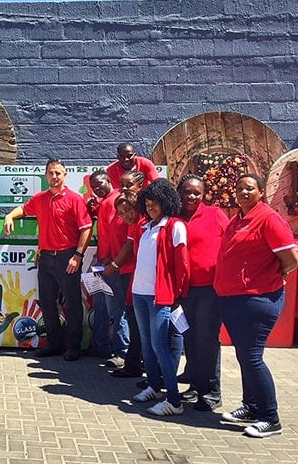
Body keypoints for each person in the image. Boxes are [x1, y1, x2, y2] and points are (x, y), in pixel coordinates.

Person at [215, 174, 298, 438]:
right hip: (234, 299)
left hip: (258, 299)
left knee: (252, 358)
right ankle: (251, 407)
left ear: (260, 192)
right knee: (244, 356)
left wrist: (270, 276)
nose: (242, 192)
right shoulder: (239, 218)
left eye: (249, 188)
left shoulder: (268, 219)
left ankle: (271, 418)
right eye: (239, 188)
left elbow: (291, 258)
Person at [3, 159, 92, 361]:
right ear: (46, 176)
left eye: (58, 173)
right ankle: (54, 344)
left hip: (67, 257)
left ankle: (74, 346)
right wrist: (9, 216)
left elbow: (86, 228)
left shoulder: (74, 199)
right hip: (45, 259)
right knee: (47, 302)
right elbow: (24, 209)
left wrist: (77, 256)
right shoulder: (40, 198)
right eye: (51, 173)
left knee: (72, 303)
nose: (54, 176)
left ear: (65, 175)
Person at [130, 178, 189, 416]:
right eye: (148, 203)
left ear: (166, 201)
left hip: (160, 296)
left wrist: (177, 294)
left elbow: (182, 264)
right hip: (139, 293)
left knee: (160, 345)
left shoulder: (175, 226)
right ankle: (154, 386)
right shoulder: (144, 228)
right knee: (146, 343)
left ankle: (174, 400)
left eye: (155, 203)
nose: (151, 207)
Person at [177, 174, 229, 411]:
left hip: (209, 288)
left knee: (206, 339)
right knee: (189, 337)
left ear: (204, 194)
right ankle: (196, 386)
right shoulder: (175, 218)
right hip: (185, 289)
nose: (191, 197)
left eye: (197, 192)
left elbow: (231, 243)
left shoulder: (214, 214)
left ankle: (211, 393)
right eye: (187, 192)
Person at [88, 170, 128, 364]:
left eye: (100, 183)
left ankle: (122, 351)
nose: (97, 188)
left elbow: (117, 233)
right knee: (101, 304)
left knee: (117, 308)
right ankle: (101, 345)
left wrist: (113, 260)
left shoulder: (116, 200)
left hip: (111, 264)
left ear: (109, 181)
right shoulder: (105, 202)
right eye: (94, 187)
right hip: (101, 262)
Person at [106, 192, 146, 379]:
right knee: (134, 320)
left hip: (137, 276)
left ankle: (134, 365)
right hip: (132, 275)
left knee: (136, 321)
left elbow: (129, 248)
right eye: (121, 213)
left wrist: (113, 266)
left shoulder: (143, 222)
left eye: (129, 210)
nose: (126, 215)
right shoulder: (134, 225)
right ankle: (136, 363)